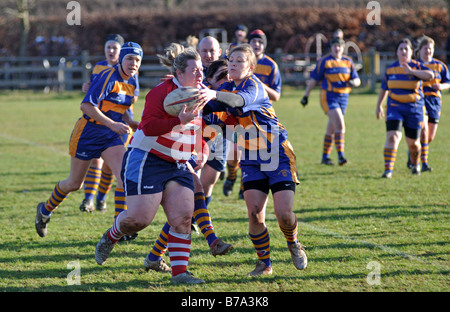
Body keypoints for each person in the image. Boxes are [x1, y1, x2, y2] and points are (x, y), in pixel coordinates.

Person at [94, 43, 211, 284]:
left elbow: (200, 129)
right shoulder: (161, 92)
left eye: (201, 70)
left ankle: (180, 274)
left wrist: (202, 149)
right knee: (138, 220)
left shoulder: (202, 92)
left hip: (177, 162)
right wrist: (177, 122)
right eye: (195, 70)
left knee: (183, 218)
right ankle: (111, 235)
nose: (200, 75)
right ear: (180, 74)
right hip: (147, 157)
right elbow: (147, 127)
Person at [202, 44, 308, 277]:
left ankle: (293, 242)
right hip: (250, 156)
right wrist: (187, 93)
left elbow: (239, 101)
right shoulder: (227, 87)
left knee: (283, 213)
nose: (233, 63)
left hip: (277, 154)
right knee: (254, 213)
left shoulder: (254, 86)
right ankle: (264, 263)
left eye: (239, 61)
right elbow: (209, 108)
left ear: (250, 67)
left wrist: (212, 93)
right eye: (231, 60)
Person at [35, 42, 142, 237]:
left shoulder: (133, 80)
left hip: (111, 136)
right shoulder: (107, 76)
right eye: (129, 59)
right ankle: (44, 210)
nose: (133, 63)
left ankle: (120, 227)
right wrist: (112, 123)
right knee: (74, 184)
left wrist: (130, 121)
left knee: (124, 177)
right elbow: (86, 106)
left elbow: (122, 106)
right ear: (121, 59)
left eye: (137, 60)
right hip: (88, 133)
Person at [143, 58, 233, 274]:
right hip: (185, 149)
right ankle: (212, 240)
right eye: (220, 76)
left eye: (228, 75)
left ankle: (155, 256)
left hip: (212, 145)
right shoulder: (195, 96)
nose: (226, 79)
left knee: (189, 208)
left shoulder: (226, 95)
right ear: (209, 79)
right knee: (191, 199)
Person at [375, 38, 434, 178]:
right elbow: (384, 89)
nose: (403, 51)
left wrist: (412, 72)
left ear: (411, 52)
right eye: (400, 49)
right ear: (397, 52)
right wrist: (378, 106)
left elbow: (430, 75)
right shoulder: (390, 69)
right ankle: (388, 170)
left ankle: (415, 164)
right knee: (392, 136)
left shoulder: (417, 66)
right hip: (394, 108)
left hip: (414, 109)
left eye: (406, 49)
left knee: (413, 143)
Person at [79, 34, 125, 213]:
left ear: (121, 52)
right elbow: (93, 91)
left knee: (110, 168)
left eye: (115, 48)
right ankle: (88, 199)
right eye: (109, 47)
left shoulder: (128, 69)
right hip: (98, 121)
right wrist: (87, 87)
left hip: (119, 123)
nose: (111, 51)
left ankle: (101, 198)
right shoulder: (98, 66)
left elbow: (132, 97)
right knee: (95, 161)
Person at [301, 37, 361, 166]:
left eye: (339, 46)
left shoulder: (348, 62)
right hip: (328, 97)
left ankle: (325, 157)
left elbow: (357, 80)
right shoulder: (324, 61)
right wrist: (306, 96)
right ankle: (341, 156)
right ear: (331, 48)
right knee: (340, 124)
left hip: (344, 98)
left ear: (343, 48)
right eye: (334, 46)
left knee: (332, 128)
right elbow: (313, 79)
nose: (337, 48)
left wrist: (353, 82)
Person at [415, 35, 450, 172]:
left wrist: (441, 87)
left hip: (435, 102)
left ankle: (414, 150)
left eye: (430, 49)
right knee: (423, 131)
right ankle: (423, 163)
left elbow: (448, 83)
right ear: (420, 50)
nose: (428, 51)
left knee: (429, 136)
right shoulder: (415, 65)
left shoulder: (440, 66)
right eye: (425, 49)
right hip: (420, 99)